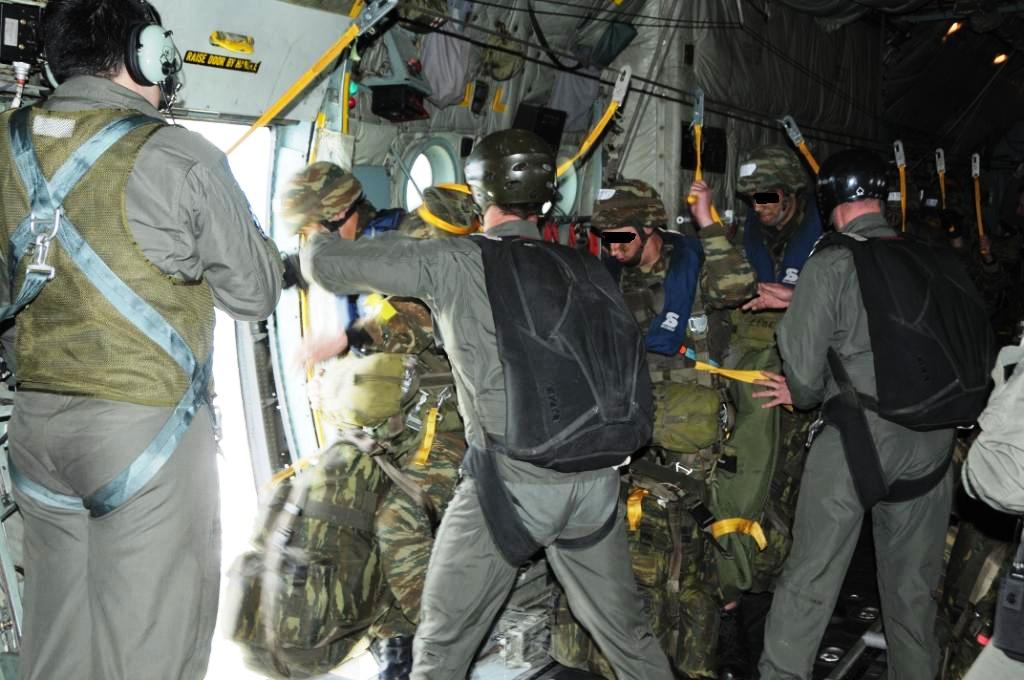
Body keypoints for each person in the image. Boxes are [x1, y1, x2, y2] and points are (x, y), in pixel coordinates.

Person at [300, 128, 673, 680]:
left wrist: (319, 227)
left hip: (509, 490)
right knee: (627, 636)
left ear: (479, 194)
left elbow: (326, 267)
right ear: (547, 198)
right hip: (597, 485)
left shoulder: (456, 260)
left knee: (440, 651)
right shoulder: (587, 266)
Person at [0, 1, 283, 679]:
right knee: (152, 651)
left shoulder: (6, 144)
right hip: (144, 437)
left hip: (35, 433)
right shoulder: (177, 154)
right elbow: (254, 293)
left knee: (57, 647)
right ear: (148, 53)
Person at [757, 148, 955, 680]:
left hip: (859, 438)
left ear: (829, 200)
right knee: (913, 597)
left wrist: (804, 383)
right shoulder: (925, 256)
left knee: (808, 583)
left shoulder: (831, 261)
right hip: (935, 442)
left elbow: (802, 380)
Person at [550, 178, 756, 680]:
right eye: (605, 239)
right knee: (628, 547)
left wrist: (707, 220)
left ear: (650, 229)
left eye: (622, 237)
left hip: (687, 433)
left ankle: (708, 646)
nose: (613, 248)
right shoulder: (608, 277)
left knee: (695, 551)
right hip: (626, 426)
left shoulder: (693, 269)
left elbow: (739, 288)